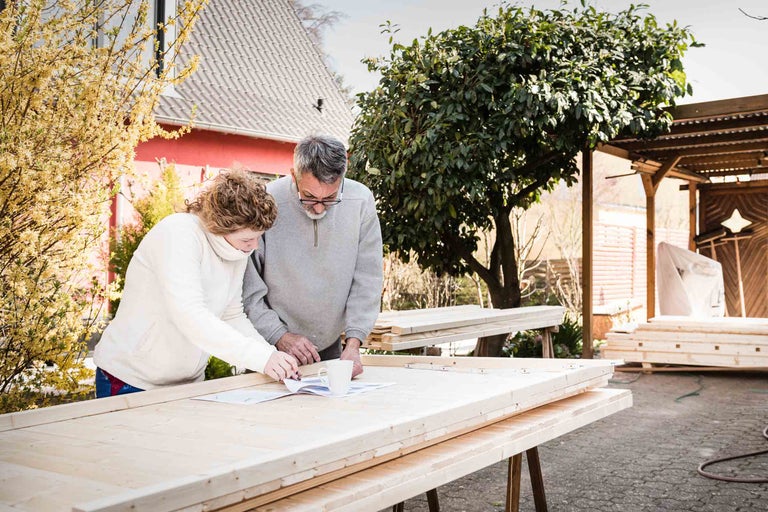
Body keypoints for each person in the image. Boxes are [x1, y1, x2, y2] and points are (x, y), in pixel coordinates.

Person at [93, 169, 299, 398]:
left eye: (258, 237)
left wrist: (269, 355)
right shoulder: (179, 234)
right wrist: (261, 358)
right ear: (222, 226)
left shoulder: (235, 250)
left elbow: (231, 315)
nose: (255, 246)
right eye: (248, 239)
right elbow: (190, 315)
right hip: (130, 379)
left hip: (187, 384)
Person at [243, 134, 383, 378]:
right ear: (293, 174)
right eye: (309, 196)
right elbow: (248, 287)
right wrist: (279, 335)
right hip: (270, 347)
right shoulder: (267, 201)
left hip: (329, 346)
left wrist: (353, 344)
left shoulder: (360, 201)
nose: (318, 208)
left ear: (342, 178)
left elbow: (367, 279)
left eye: (330, 198)